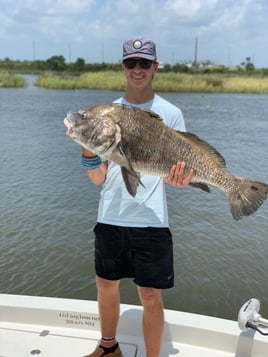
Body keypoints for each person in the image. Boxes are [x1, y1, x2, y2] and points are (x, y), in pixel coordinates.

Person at [82, 36, 194, 357]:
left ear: (155, 67)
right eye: (132, 63)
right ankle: (108, 348)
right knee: (106, 285)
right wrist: (88, 153)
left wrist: (180, 180)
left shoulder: (170, 114)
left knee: (149, 294)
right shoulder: (107, 114)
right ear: (123, 67)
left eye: (144, 63)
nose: (138, 69)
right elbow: (98, 178)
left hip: (152, 220)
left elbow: (177, 172)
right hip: (110, 217)